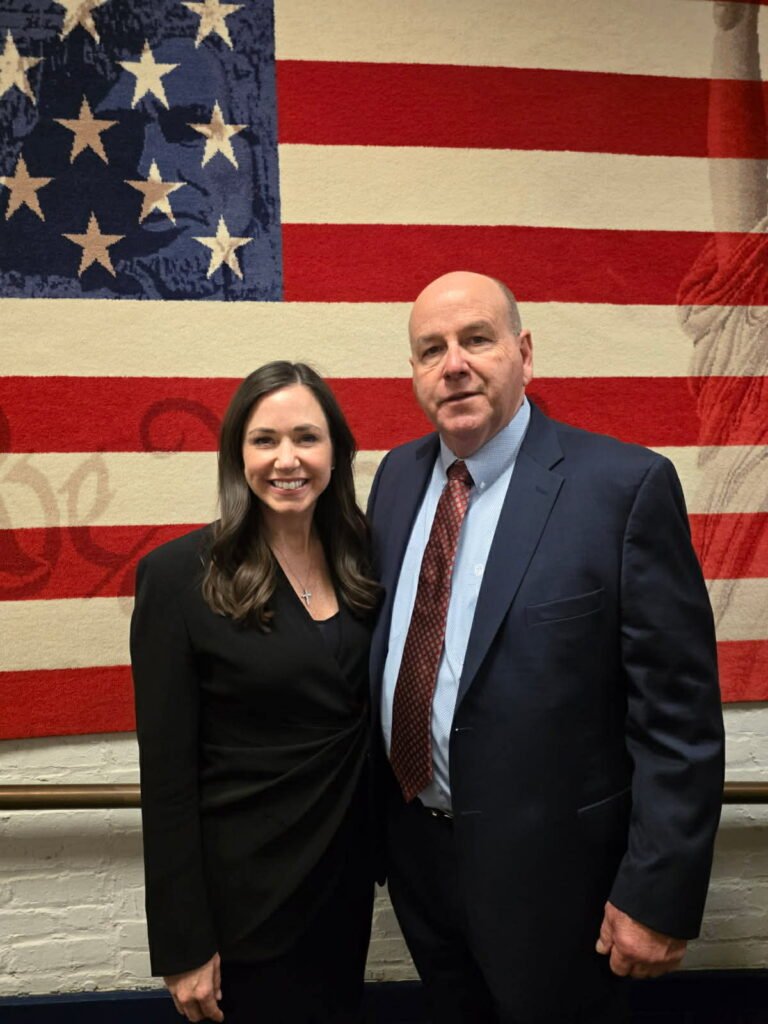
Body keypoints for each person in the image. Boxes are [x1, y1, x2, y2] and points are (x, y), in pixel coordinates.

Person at [366, 271, 725, 1024]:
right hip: (421, 865)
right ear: (414, 374)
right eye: (431, 349)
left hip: (564, 892)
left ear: (524, 354)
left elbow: (679, 720)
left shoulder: (623, 489)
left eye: (477, 340)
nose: (454, 364)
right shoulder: (397, 479)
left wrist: (657, 895)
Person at [131, 362, 380, 1024]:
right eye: (265, 440)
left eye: (307, 437)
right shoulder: (179, 577)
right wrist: (183, 944)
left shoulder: (368, 560)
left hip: (342, 887)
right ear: (237, 455)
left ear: (337, 452)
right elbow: (168, 780)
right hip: (244, 904)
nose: (287, 459)